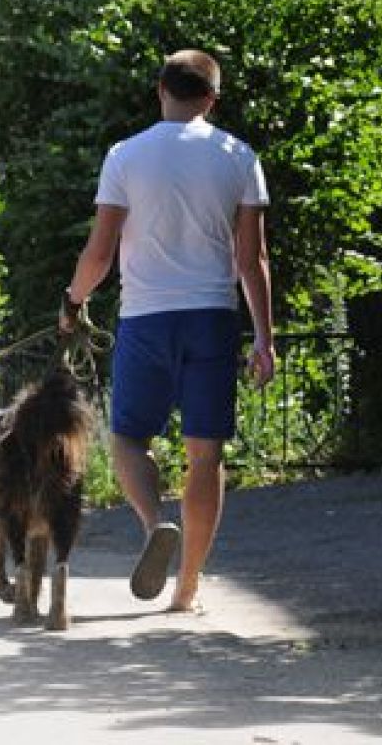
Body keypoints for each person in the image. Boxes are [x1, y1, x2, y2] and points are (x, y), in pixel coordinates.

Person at [59, 49, 275, 612]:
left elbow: (100, 253)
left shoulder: (124, 156)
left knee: (129, 438)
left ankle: (157, 523)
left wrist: (72, 303)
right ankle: (187, 588)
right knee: (206, 456)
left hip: (145, 319)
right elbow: (252, 262)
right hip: (211, 318)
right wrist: (264, 338)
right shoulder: (238, 155)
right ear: (212, 99)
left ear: (161, 91)